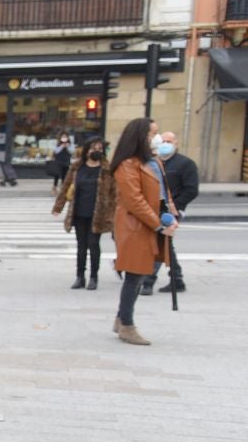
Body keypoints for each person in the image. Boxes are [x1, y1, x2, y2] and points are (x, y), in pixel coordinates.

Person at [110, 118, 177, 345]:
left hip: (153, 223)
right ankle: (127, 324)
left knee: (142, 273)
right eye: (152, 134)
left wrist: (172, 217)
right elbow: (134, 201)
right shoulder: (127, 164)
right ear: (139, 136)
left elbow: (163, 194)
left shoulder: (153, 162)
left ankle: (121, 318)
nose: (156, 139)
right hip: (136, 226)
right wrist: (158, 224)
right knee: (135, 275)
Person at [52, 137, 115, 290]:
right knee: (81, 245)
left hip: (98, 213)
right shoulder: (76, 167)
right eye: (94, 148)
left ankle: (94, 277)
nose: (97, 151)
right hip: (79, 211)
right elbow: (66, 186)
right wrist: (58, 207)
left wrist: (111, 214)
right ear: (87, 151)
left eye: (100, 149)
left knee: (93, 244)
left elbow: (114, 194)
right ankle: (80, 276)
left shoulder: (107, 169)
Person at [144, 130, 198, 294]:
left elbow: (191, 190)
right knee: (166, 245)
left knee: (161, 243)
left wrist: (176, 206)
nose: (166, 144)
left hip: (171, 211)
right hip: (155, 208)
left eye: (170, 141)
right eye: (163, 141)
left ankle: (148, 281)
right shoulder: (155, 162)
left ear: (176, 144)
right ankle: (177, 279)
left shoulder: (185, 164)